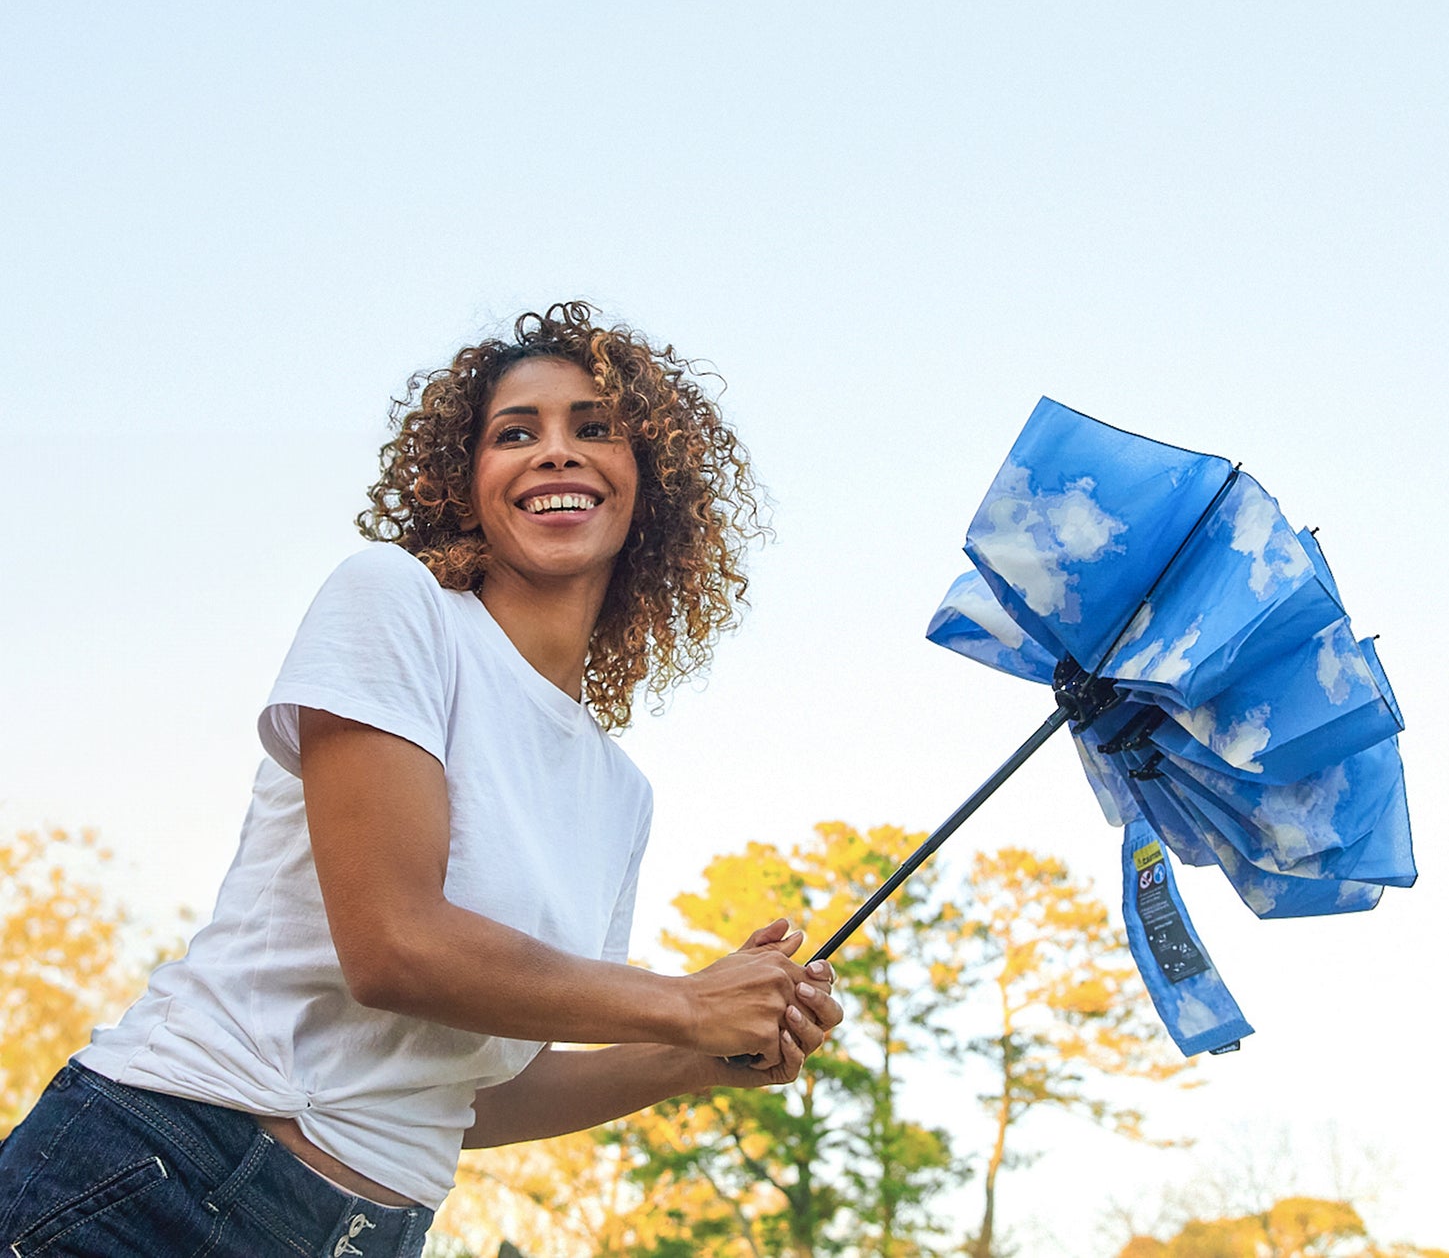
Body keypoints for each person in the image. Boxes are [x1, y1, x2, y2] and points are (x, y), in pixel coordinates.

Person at [0, 301, 843, 1257]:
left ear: (652, 484)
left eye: (594, 428)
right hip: (167, 1181)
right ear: (465, 480)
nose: (555, 452)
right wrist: (686, 1000)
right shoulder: (397, 605)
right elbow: (394, 947)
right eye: (515, 433)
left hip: (375, 1232)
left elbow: (469, 1092)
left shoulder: (621, 796)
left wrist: (689, 1057)